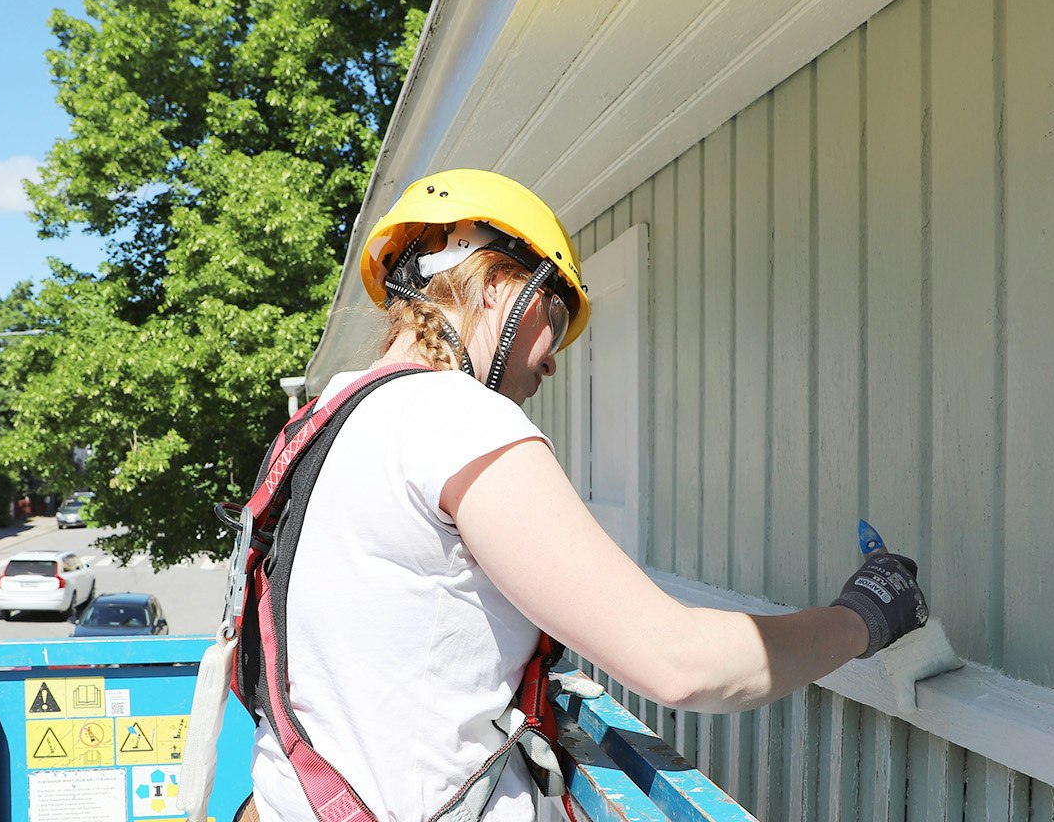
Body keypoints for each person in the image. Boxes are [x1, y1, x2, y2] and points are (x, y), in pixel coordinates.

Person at [247, 169, 929, 822]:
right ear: (497, 283)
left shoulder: (316, 428)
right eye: (556, 309)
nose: (553, 355)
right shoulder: (452, 418)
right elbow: (678, 662)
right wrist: (864, 614)